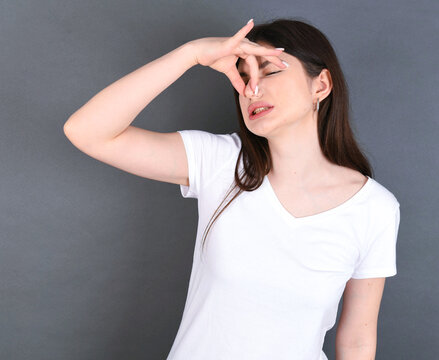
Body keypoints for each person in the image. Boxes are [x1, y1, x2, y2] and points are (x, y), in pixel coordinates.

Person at [64, 17, 400, 360]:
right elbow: (88, 131)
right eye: (243, 77)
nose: (252, 89)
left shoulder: (374, 208)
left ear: (321, 85)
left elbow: (357, 340)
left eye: (268, 71)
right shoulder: (220, 162)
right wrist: (191, 53)